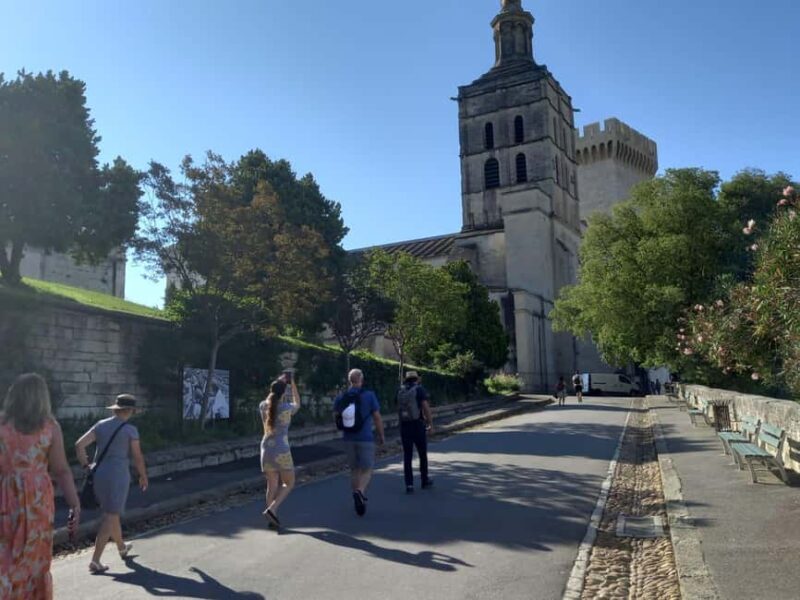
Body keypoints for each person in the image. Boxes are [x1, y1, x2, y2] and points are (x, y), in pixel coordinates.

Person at [0, 373, 81, 600]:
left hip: (5, 498)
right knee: (35, 562)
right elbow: (61, 470)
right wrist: (75, 503)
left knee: (5, 558)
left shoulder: (1, 424)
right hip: (38, 504)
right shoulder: (51, 427)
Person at [75, 394, 148, 574]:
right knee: (110, 515)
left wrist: (86, 465)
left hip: (98, 474)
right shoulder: (131, 430)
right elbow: (137, 457)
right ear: (130, 410)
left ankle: (122, 548)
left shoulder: (101, 425)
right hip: (118, 475)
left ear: (116, 409)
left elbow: (79, 445)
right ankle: (95, 560)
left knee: (112, 514)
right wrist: (143, 475)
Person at [333, 369, 384, 516]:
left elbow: (336, 417)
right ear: (361, 380)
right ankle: (360, 492)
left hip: (348, 438)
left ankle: (357, 500)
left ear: (350, 380)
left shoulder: (341, 396)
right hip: (365, 438)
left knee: (354, 470)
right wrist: (381, 435)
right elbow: (377, 417)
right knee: (367, 469)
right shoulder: (369, 395)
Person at [259, 372, 300, 529]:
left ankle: (272, 518)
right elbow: (298, 402)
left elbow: (271, 398)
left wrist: (279, 384)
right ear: (284, 393)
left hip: (266, 448)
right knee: (289, 483)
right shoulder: (287, 408)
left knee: (271, 485)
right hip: (281, 449)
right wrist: (292, 383)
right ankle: (272, 509)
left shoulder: (263, 406)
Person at [397, 371, 434, 494]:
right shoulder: (419, 389)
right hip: (418, 425)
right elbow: (425, 407)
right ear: (417, 379)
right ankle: (424, 480)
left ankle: (409, 485)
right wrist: (430, 424)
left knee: (407, 456)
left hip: (404, 426)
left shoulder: (400, 391)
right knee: (422, 454)